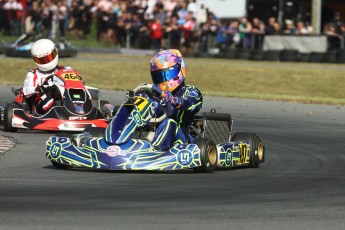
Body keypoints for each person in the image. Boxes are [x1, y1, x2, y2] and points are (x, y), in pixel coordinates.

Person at [149, 49, 203, 150]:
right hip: (154, 133)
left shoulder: (190, 91)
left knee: (169, 122)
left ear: (179, 69)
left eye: (167, 74)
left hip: (182, 141)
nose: (163, 80)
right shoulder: (153, 94)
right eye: (158, 76)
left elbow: (191, 101)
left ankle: (154, 151)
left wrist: (175, 101)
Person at [23, 38, 72, 115]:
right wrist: (40, 89)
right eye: (43, 60)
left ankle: (82, 111)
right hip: (41, 105)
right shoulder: (33, 74)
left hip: (65, 100)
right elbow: (27, 91)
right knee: (47, 96)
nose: (47, 61)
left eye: (49, 58)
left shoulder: (66, 69)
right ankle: (56, 114)